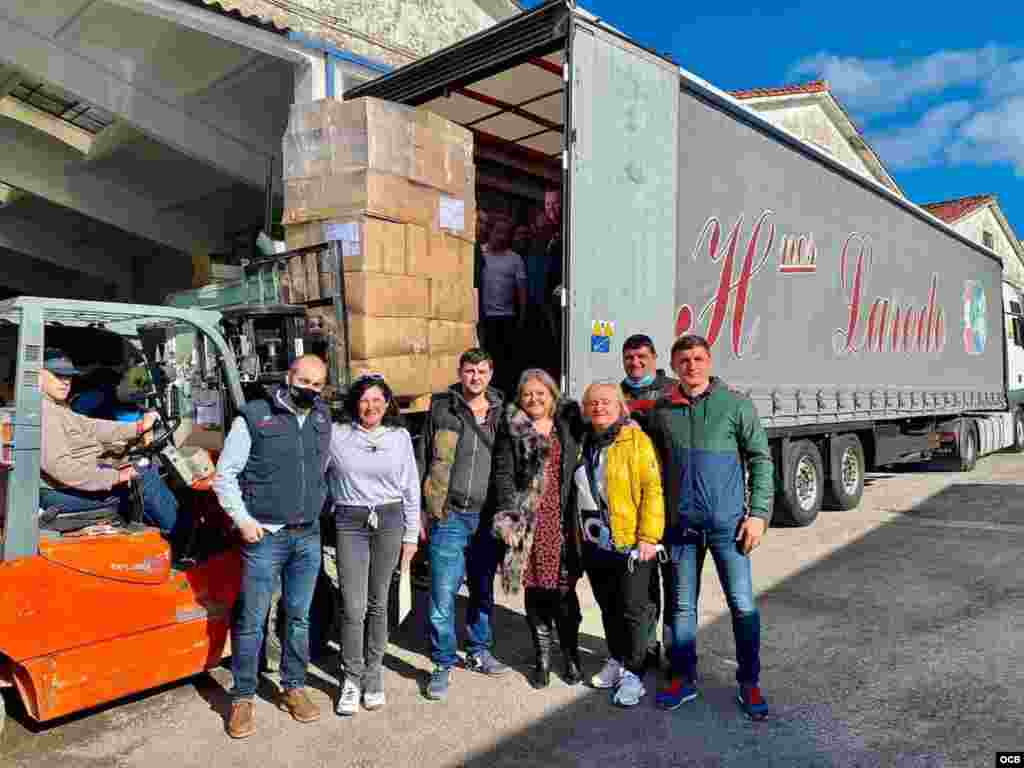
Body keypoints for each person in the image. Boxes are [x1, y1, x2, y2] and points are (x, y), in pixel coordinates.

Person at [646, 335, 774, 719]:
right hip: (681, 528)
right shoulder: (662, 411)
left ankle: (749, 683)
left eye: (699, 358)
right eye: (684, 360)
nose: (692, 366)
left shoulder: (735, 405)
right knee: (682, 606)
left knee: (742, 604)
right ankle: (684, 678)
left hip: (728, 527)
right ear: (673, 365)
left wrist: (759, 514)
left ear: (709, 361)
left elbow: (761, 460)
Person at [212, 354, 331, 738]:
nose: (310, 389)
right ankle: (243, 696)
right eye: (305, 381)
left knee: (298, 616)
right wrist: (243, 521)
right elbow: (225, 475)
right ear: (288, 376)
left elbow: (325, 465)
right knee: (252, 620)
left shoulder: (320, 417)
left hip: (308, 534)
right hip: (266, 536)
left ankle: (293, 687)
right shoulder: (254, 417)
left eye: (317, 385)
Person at [328, 375, 420, 716]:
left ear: (387, 404)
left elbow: (411, 486)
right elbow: (320, 472)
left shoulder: (398, 438)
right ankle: (350, 679)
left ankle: (373, 674)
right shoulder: (338, 436)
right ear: (356, 403)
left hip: (390, 520)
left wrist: (411, 535)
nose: (371, 407)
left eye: (378, 400)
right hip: (350, 521)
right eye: (365, 400)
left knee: (378, 603)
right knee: (353, 607)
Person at [420, 348, 508, 701]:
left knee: (483, 588)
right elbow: (424, 456)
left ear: (490, 373)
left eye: (482, 371)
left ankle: (478, 650)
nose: (475, 377)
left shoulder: (504, 412)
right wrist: (424, 510)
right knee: (442, 592)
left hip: (487, 517)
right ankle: (442, 662)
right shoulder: (442, 407)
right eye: (469, 371)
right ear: (460, 371)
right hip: (449, 513)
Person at [491, 369, 583, 689]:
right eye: (528, 393)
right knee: (535, 591)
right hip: (528, 519)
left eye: (540, 393)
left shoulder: (568, 424)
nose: (534, 399)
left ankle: (571, 655)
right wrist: (506, 518)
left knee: (563, 590)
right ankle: (542, 659)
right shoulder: (512, 427)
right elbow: (503, 474)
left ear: (552, 394)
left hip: (563, 518)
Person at [578, 382, 664, 707]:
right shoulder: (585, 442)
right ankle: (616, 659)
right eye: (593, 403)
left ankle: (635, 673)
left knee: (633, 609)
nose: (599, 407)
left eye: (606, 402)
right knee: (609, 606)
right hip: (595, 542)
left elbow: (652, 489)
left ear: (620, 406)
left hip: (630, 542)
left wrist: (648, 537)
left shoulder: (635, 439)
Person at [37, 348, 174, 534]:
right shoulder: (46, 412)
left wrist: (138, 427)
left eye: (69, 376)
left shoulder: (55, 406)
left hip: (69, 483)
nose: (66, 381)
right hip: (63, 491)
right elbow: (63, 470)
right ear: (38, 374)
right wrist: (116, 477)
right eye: (58, 375)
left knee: (138, 471)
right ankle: (176, 537)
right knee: (145, 476)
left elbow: (90, 427)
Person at [619, 333, 678, 674]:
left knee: (675, 585)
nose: (636, 363)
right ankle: (646, 650)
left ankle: (675, 654)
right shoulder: (618, 395)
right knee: (642, 589)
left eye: (642, 357)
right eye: (629, 358)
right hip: (633, 508)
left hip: (670, 504)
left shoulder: (671, 392)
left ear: (655, 358)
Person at [479, 216, 526, 397]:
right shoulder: (479, 254)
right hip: (485, 317)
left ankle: (504, 398)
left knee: (506, 364)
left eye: (506, 233)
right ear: (490, 232)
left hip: (507, 318)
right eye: (498, 231)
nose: (502, 236)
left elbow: (521, 291)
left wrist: (521, 318)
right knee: (484, 361)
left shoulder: (515, 259)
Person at [524, 188, 563, 379]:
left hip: (558, 303)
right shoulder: (541, 234)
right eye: (548, 205)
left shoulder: (570, 230)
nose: (552, 209)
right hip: (537, 302)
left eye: (556, 204)